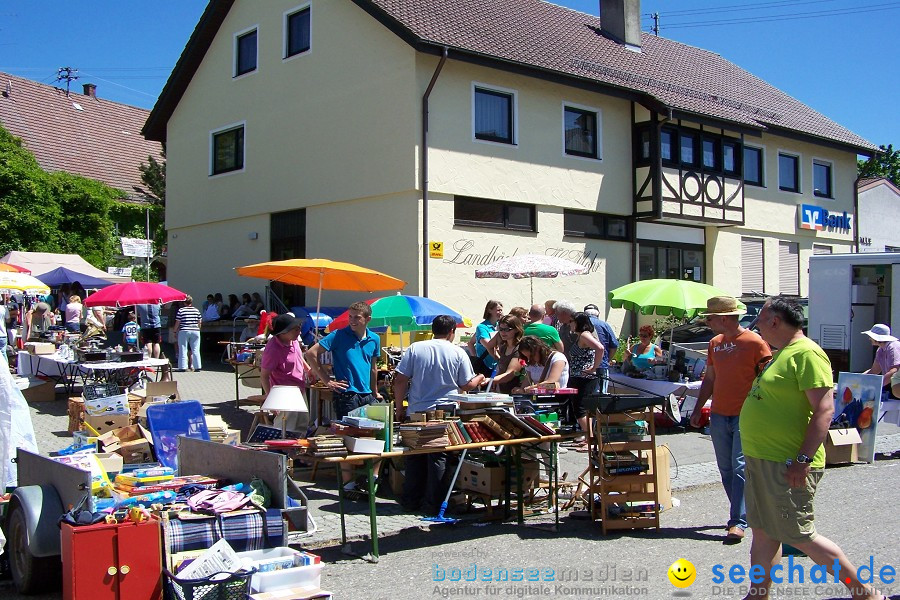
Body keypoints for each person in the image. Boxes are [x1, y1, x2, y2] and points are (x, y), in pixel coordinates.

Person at [739, 296, 884, 600]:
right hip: (763, 459)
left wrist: (802, 460)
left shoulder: (806, 354)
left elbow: (824, 410)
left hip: (787, 462)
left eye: (760, 322)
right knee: (764, 532)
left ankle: (865, 594)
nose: (758, 328)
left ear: (775, 321)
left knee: (801, 536)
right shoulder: (783, 353)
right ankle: (757, 595)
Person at [690, 296, 771, 543]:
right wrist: (697, 408)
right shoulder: (715, 343)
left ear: (723, 318)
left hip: (746, 415)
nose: (708, 321)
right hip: (719, 414)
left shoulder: (755, 342)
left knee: (739, 468)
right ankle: (744, 512)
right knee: (726, 469)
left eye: (710, 317)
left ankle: (738, 521)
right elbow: (710, 379)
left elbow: (767, 378)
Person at [392, 315, 485, 514]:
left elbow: (400, 380)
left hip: (417, 408)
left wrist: (399, 408)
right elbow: (466, 384)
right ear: (452, 332)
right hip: (445, 410)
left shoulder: (416, 348)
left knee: (415, 455)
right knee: (439, 456)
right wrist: (480, 378)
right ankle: (434, 504)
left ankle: (411, 500)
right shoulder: (457, 352)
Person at [305, 301, 383, 493]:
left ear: (367, 319)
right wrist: (327, 380)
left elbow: (373, 368)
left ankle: (372, 479)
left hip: (367, 396)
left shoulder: (374, 339)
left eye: (357, 317)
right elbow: (310, 354)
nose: (352, 321)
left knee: (378, 437)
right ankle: (349, 485)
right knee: (347, 438)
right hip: (347, 395)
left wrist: (375, 392)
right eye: (350, 317)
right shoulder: (338, 335)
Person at [260, 314, 311, 434]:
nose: (299, 331)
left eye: (299, 327)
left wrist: (308, 369)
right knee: (287, 428)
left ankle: (297, 451)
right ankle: (282, 451)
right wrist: (270, 399)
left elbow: (298, 357)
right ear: (283, 332)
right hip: (284, 393)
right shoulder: (273, 349)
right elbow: (264, 376)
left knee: (302, 425)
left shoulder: (293, 341)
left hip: (299, 389)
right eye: (296, 329)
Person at [567, 313, 606, 451]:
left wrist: (594, 367)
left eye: (572, 321)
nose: (569, 324)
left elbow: (600, 348)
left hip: (584, 376)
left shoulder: (584, 334)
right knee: (580, 407)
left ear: (578, 322)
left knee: (580, 408)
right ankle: (587, 437)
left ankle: (590, 440)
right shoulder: (581, 335)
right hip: (579, 376)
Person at [480, 314, 526, 394]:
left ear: (516, 329)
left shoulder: (520, 349)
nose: (503, 332)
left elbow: (510, 373)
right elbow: (502, 369)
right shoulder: (504, 347)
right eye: (501, 329)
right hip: (503, 391)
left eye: (507, 329)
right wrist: (494, 382)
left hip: (516, 392)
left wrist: (491, 380)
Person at [583, 303, 619, 393]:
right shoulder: (604, 325)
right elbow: (614, 345)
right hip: (601, 364)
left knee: (585, 393)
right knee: (601, 394)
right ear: (598, 314)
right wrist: (607, 359)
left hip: (584, 366)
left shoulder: (580, 325)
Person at [860, 324, 900, 402]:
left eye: (871, 336)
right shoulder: (880, 350)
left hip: (896, 385)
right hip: (889, 385)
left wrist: (877, 385)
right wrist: (859, 379)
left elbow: (894, 371)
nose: (869, 338)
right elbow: (874, 370)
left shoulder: (893, 347)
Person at [467, 300, 503, 377]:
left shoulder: (500, 326)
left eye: (501, 310)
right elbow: (487, 345)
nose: (501, 312)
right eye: (498, 310)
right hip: (486, 365)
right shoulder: (482, 327)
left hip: (498, 366)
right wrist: (475, 357)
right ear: (489, 310)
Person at [174, 295, 202, 372]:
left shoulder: (181, 310)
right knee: (196, 349)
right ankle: (197, 366)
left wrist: (175, 331)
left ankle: (183, 367)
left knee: (183, 348)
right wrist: (198, 329)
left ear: (184, 302)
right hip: (195, 330)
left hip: (184, 330)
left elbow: (178, 322)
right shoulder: (196, 310)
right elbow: (199, 321)